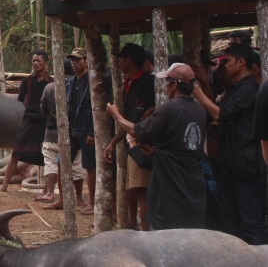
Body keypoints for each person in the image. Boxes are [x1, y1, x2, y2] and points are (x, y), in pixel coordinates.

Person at [107, 63, 207, 230]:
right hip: (192, 184)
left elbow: (137, 131)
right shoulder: (199, 110)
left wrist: (116, 116)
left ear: (174, 85)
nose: (166, 86)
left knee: (165, 234)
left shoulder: (169, 109)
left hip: (169, 184)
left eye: (168, 81)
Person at [193, 43, 266, 245]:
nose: (224, 66)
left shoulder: (250, 88)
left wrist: (196, 90)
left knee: (251, 221)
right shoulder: (235, 90)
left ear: (241, 62)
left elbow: (220, 114)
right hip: (229, 165)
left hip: (246, 165)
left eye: (228, 61)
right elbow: (218, 118)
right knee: (229, 221)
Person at [103, 42, 155, 231]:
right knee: (134, 188)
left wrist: (116, 116)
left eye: (122, 58)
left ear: (130, 59)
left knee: (143, 192)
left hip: (144, 145)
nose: (119, 62)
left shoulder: (148, 83)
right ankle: (134, 225)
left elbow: (135, 123)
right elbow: (130, 120)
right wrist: (113, 143)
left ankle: (146, 234)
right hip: (133, 143)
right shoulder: (129, 83)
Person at [0, 50, 52, 192]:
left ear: (46, 63)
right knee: (16, 153)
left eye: (38, 61)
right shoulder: (27, 82)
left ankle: (47, 190)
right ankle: (4, 186)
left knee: (47, 156)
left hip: (45, 123)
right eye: (33, 61)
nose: (35, 63)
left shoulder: (52, 83)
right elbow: (22, 100)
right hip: (29, 121)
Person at [38, 60, 87, 207]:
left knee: (51, 162)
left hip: (52, 132)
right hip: (72, 133)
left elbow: (43, 109)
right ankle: (78, 197)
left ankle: (50, 193)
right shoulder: (77, 86)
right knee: (76, 165)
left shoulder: (50, 87)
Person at [64, 48, 95, 215]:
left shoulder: (92, 82)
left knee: (90, 165)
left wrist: (91, 131)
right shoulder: (70, 83)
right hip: (71, 129)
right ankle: (68, 198)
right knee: (62, 161)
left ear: (86, 61)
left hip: (85, 129)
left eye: (78, 60)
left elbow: (95, 109)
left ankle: (91, 202)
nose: (74, 63)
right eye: (72, 60)